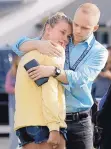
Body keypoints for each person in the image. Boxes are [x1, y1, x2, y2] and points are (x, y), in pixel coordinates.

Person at [12, 3, 108, 149]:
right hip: (49, 121)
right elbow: (18, 46)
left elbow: (81, 79)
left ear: (95, 28)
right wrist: (38, 44)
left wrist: (53, 71)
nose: (77, 30)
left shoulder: (99, 52)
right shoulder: (63, 37)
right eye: (76, 24)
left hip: (79, 122)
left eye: (84, 28)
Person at [14, 12, 72, 149]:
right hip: (45, 126)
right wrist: (54, 128)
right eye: (62, 32)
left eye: (68, 36)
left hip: (25, 125)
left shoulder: (28, 55)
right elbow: (49, 91)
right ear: (48, 29)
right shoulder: (53, 53)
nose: (65, 39)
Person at [91, 46, 111, 111]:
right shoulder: (98, 71)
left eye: (110, 56)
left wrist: (110, 76)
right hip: (98, 106)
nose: (108, 58)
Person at [5, 55, 20, 149]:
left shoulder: (26, 73)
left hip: (24, 106)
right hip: (14, 106)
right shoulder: (11, 73)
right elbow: (7, 88)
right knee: (14, 129)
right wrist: (18, 89)